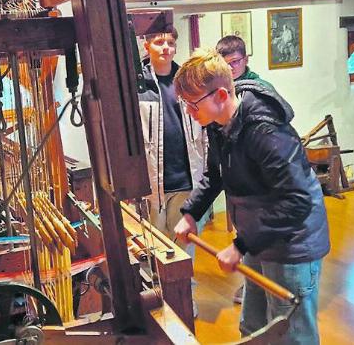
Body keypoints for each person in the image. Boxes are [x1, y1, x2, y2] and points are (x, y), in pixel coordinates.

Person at [173, 49, 329, 345]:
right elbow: (215, 174)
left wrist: (241, 244)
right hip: (260, 236)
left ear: (220, 94)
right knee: (254, 329)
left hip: (291, 243)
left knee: (292, 335)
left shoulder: (264, 129)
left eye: (193, 104)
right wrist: (191, 213)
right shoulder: (218, 123)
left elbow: (296, 199)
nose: (190, 112)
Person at [136, 28, 207, 317]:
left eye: (170, 43)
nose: (165, 48)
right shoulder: (136, 84)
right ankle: (155, 302)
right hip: (150, 183)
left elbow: (203, 130)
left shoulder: (186, 82)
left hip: (186, 180)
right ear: (147, 45)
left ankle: (184, 299)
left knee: (182, 248)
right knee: (150, 246)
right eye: (159, 42)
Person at [215, 34, 274, 304]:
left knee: (259, 227)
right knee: (243, 225)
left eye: (235, 62)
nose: (231, 68)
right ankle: (251, 282)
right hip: (236, 170)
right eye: (225, 64)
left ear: (246, 59)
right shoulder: (221, 91)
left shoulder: (257, 90)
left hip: (256, 173)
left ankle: (259, 283)